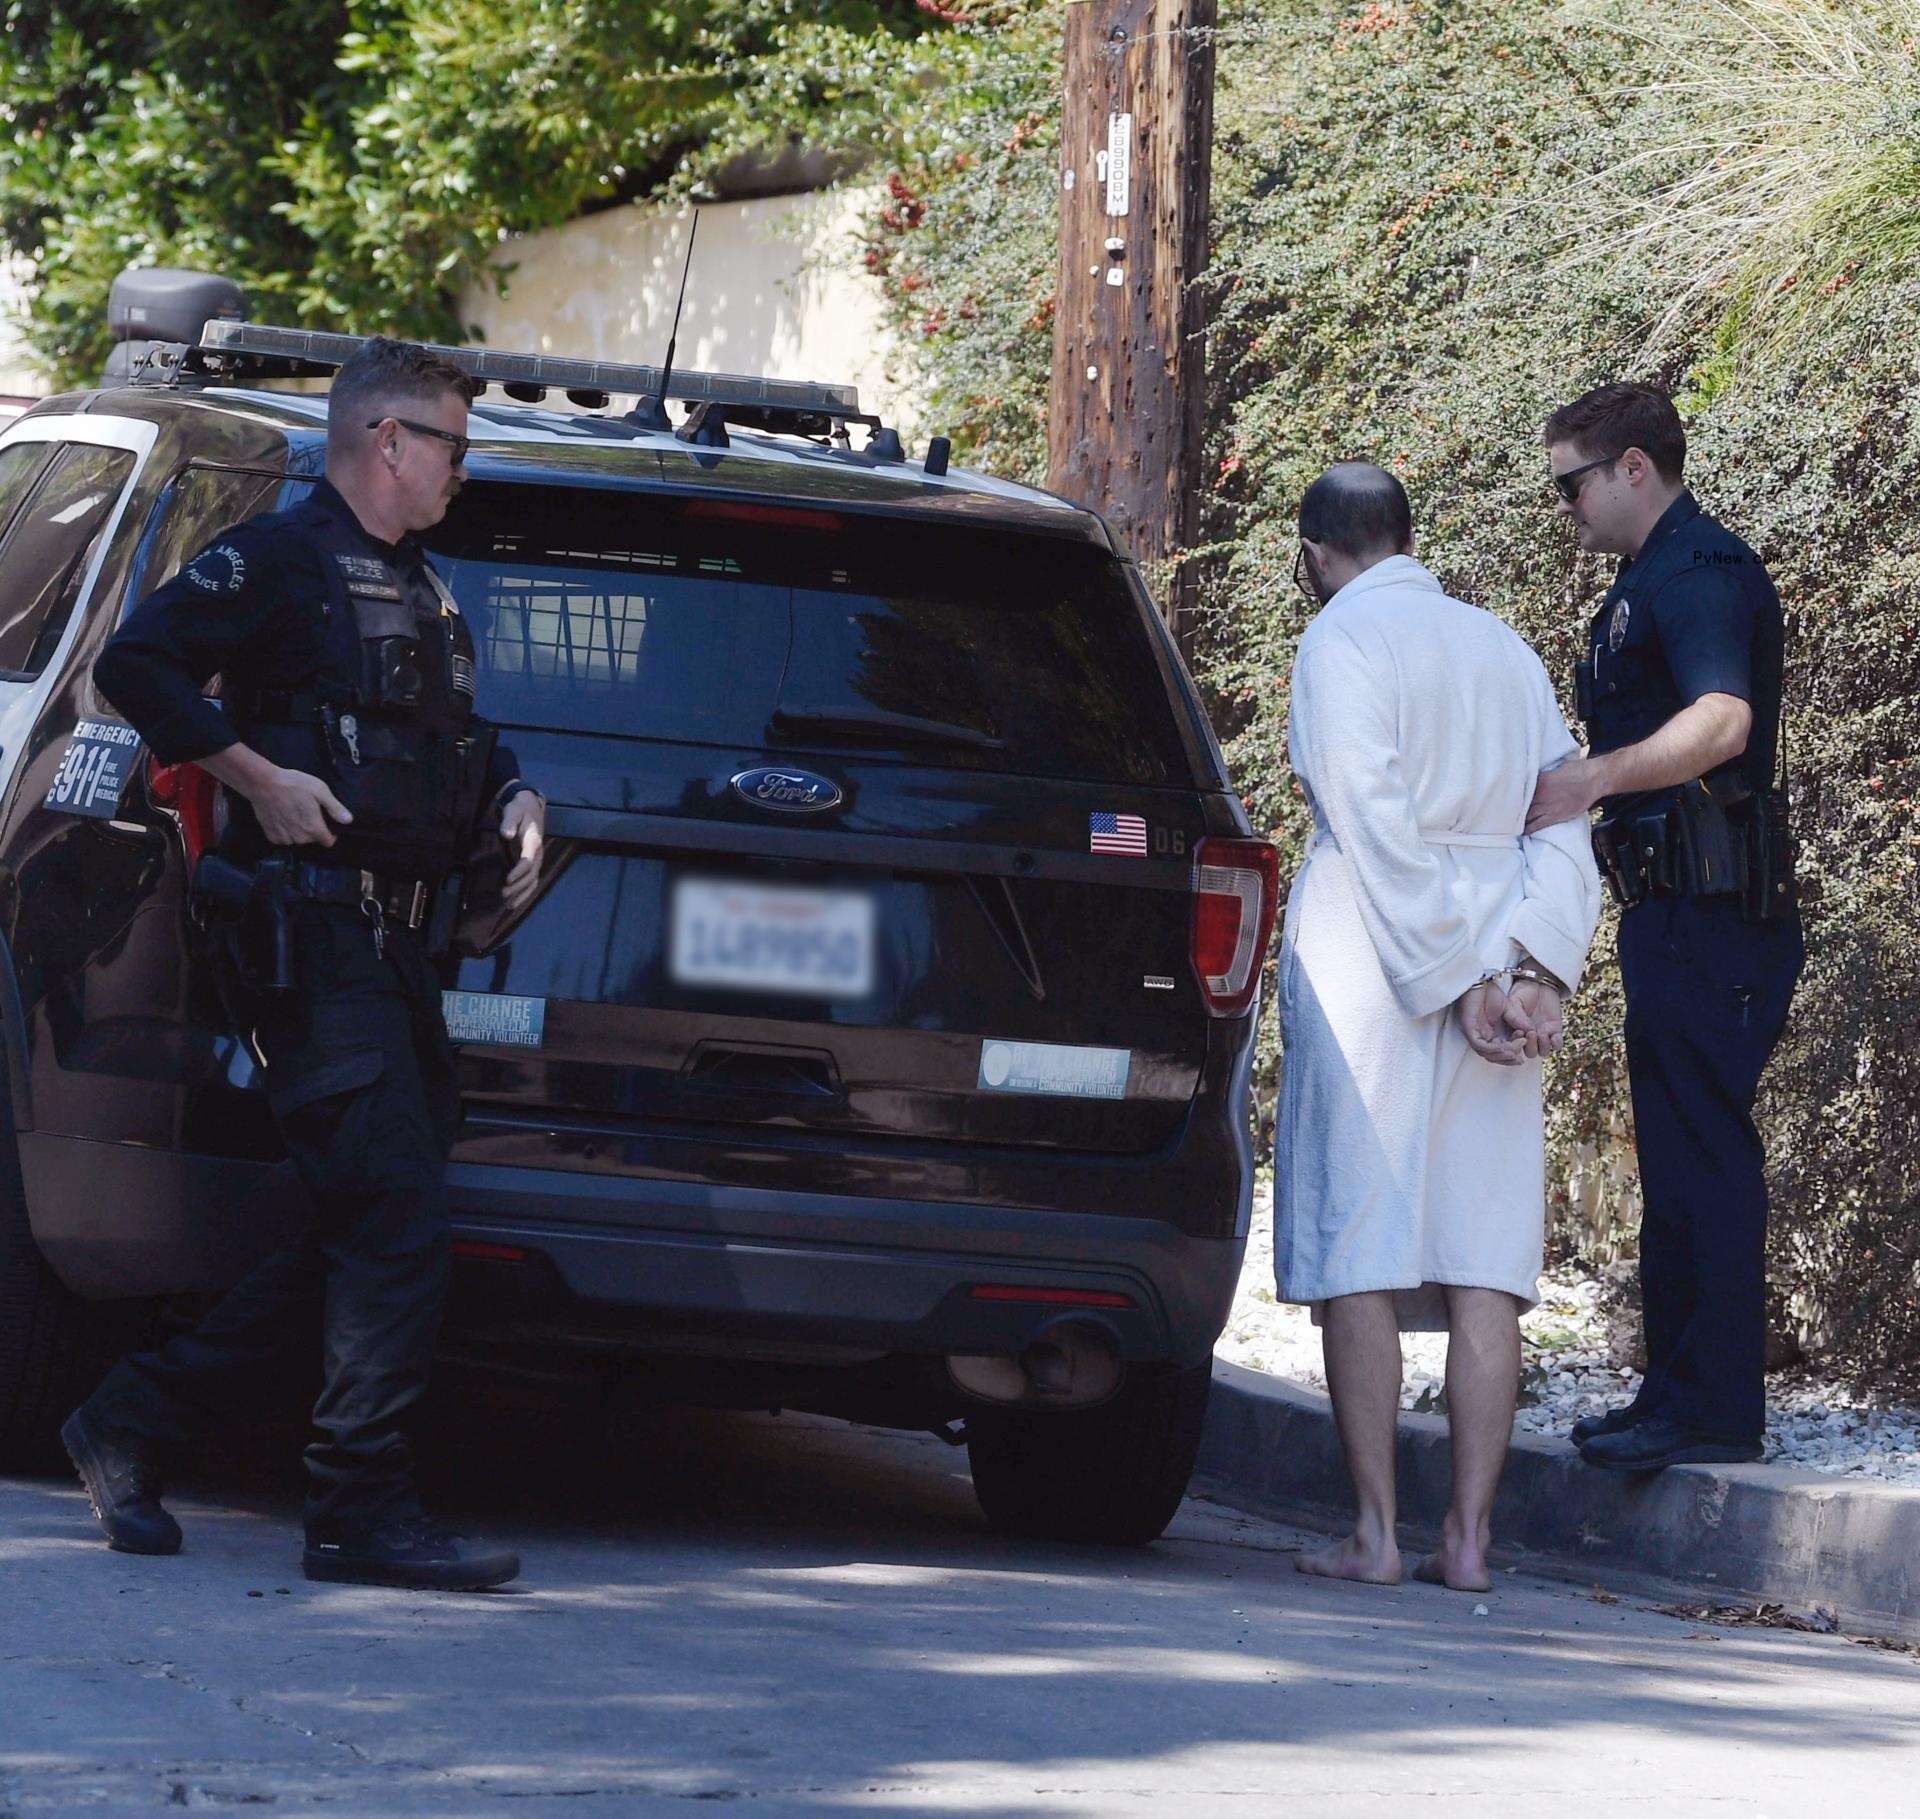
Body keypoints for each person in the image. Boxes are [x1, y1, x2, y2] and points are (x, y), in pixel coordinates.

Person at [62, 338, 547, 1590]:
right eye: (452, 443)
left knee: (361, 1221)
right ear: (386, 440)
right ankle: (356, 1506)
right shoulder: (279, 560)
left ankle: (130, 1418)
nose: (462, 467)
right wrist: (255, 776)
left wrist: (517, 797)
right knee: (393, 1217)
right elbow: (136, 663)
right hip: (307, 935)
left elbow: (453, 745)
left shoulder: (422, 589)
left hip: (394, 948)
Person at [1275, 463, 1601, 1591]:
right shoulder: (1503, 649)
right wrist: (1537, 965)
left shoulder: (1340, 643)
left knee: (1360, 1238)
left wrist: (1457, 976)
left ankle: (1374, 1532)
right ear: (1406, 536)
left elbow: (1370, 818)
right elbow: (1564, 807)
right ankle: (1467, 1537)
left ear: (1319, 551)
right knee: (1482, 1253)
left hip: (1377, 950)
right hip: (1500, 940)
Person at [1528, 382, 1802, 1473]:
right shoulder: (1652, 577)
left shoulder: (1699, 573)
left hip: (1713, 908)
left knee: (1704, 1154)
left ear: (1633, 467)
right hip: (1676, 908)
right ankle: (1678, 1391)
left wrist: (1595, 778)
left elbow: (1723, 720)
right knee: (1681, 1155)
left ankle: (1717, 1404)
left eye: (1573, 485)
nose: (1567, 509)